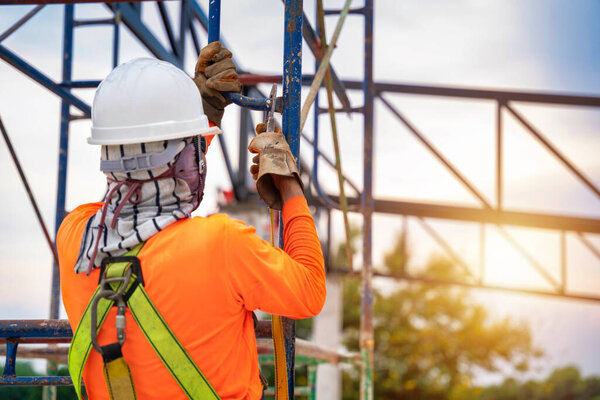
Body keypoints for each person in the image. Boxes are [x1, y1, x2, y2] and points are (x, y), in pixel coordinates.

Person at [57, 42, 326, 400]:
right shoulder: (223, 246)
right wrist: (290, 187)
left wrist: (199, 116)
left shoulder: (75, 237)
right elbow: (310, 290)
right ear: (187, 157)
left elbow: (141, 192)